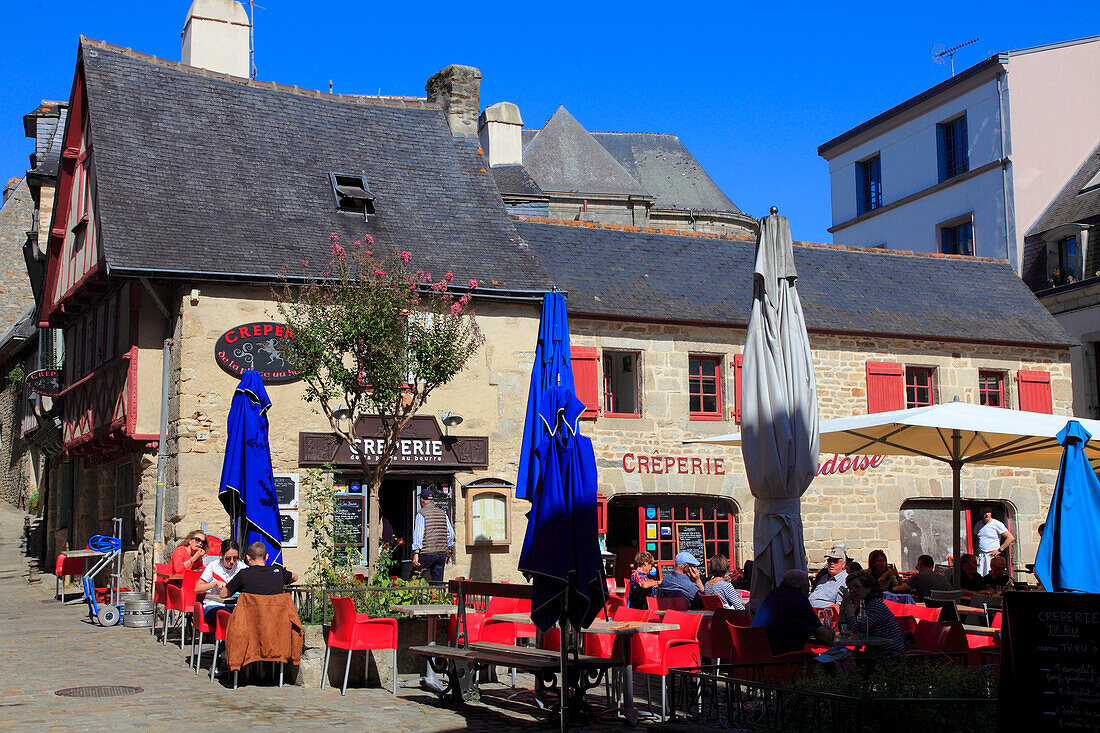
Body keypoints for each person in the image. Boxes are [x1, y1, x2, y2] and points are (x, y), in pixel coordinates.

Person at [753, 569, 835, 655]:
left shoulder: (772, 594)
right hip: (783, 657)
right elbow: (825, 637)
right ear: (803, 587)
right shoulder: (798, 599)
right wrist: (830, 631)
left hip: (760, 654)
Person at [838, 571, 909, 657]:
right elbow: (844, 629)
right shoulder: (863, 605)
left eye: (856, 587)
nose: (852, 591)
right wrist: (843, 606)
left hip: (889, 655)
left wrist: (848, 605)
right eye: (850, 588)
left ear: (868, 588)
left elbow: (857, 631)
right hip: (875, 652)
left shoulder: (875, 605)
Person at [220, 541, 298, 598]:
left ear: (248, 557)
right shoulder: (279, 571)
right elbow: (295, 577)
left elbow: (223, 594)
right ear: (266, 557)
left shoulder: (244, 574)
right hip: (276, 618)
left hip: (252, 619)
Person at [194, 540, 242, 626]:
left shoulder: (241, 567)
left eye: (235, 558)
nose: (232, 561)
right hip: (213, 604)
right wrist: (214, 583)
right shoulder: (213, 566)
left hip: (234, 605)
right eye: (228, 558)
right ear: (221, 556)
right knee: (226, 616)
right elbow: (197, 588)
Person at [411, 488, 454, 583]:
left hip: (428, 553)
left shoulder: (421, 514)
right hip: (441, 554)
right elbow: (451, 534)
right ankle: (437, 597)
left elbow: (418, 535)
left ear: (422, 500)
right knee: (437, 582)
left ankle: (414, 597)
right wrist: (448, 548)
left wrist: (416, 553)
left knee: (414, 579)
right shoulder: (443, 513)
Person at [975, 506, 1014, 576]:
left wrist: (999, 550)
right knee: (980, 577)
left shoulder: (996, 524)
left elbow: (1010, 538)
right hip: (981, 556)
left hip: (991, 556)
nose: (987, 514)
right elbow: (975, 539)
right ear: (980, 513)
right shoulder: (978, 525)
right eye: (984, 512)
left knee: (992, 576)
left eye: (988, 512)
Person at [809, 544, 849, 608]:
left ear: (843, 564)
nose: (832, 563)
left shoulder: (845, 581)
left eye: (835, 561)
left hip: (824, 615)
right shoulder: (824, 577)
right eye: (829, 560)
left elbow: (839, 607)